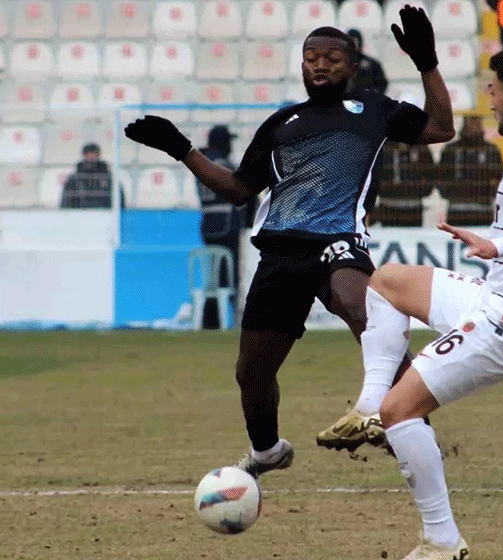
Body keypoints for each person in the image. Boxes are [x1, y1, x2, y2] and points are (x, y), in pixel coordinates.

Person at [123, 8, 456, 478]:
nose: (320, 65)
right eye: (311, 58)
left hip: (338, 240)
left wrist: (427, 64)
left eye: (332, 59)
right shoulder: (281, 124)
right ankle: (267, 452)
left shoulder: (375, 109)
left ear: (351, 66)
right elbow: (238, 189)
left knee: (363, 308)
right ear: (301, 65)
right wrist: (183, 149)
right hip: (280, 252)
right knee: (252, 372)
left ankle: (413, 432)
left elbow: (443, 128)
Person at [321, 48, 503, 559]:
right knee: (386, 281)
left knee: (400, 412)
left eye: (493, 89)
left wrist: (497, 247)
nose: (489, 99)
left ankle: (442, 541)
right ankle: (366, 406)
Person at [196, 124, 258, 329]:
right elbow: (246, 189)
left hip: (208, 224)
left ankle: (211, 319)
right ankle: (224, 319)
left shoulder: (201, 162)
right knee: (229, 276)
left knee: (214, 277)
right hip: (228, 224)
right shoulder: (223, 165)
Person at [437, 115, 503, 226]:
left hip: (484, 211)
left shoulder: (491, 150)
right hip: (457, 211)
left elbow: (501, 177)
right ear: (465, 121)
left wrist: (490, 193)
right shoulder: (451, 150)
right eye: (472, 119)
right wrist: (450, 193)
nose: (475, 123)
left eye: (478, 119)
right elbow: (440, 177)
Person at [369, 140, 436, 227]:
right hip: (388, 207)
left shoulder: (420, 148)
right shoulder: (382, 148)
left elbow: (431, 175)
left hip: (413, 207)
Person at [60, 143, 123, 209]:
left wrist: (121, 211)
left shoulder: (107, 177)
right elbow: (66, 198)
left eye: (94, 154)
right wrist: (65, 212)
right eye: (89, 155)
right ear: (84, 155)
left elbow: (119, 195)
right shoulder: (75, 178)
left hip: (104, 212)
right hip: (80, 213)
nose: (91, 157)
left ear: (98, 155)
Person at [347, 28, 389, 95]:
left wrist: (374, 95)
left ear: (359, 42)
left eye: (354, 41)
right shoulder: (339, 64)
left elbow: (382, 84)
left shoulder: (371, 64)